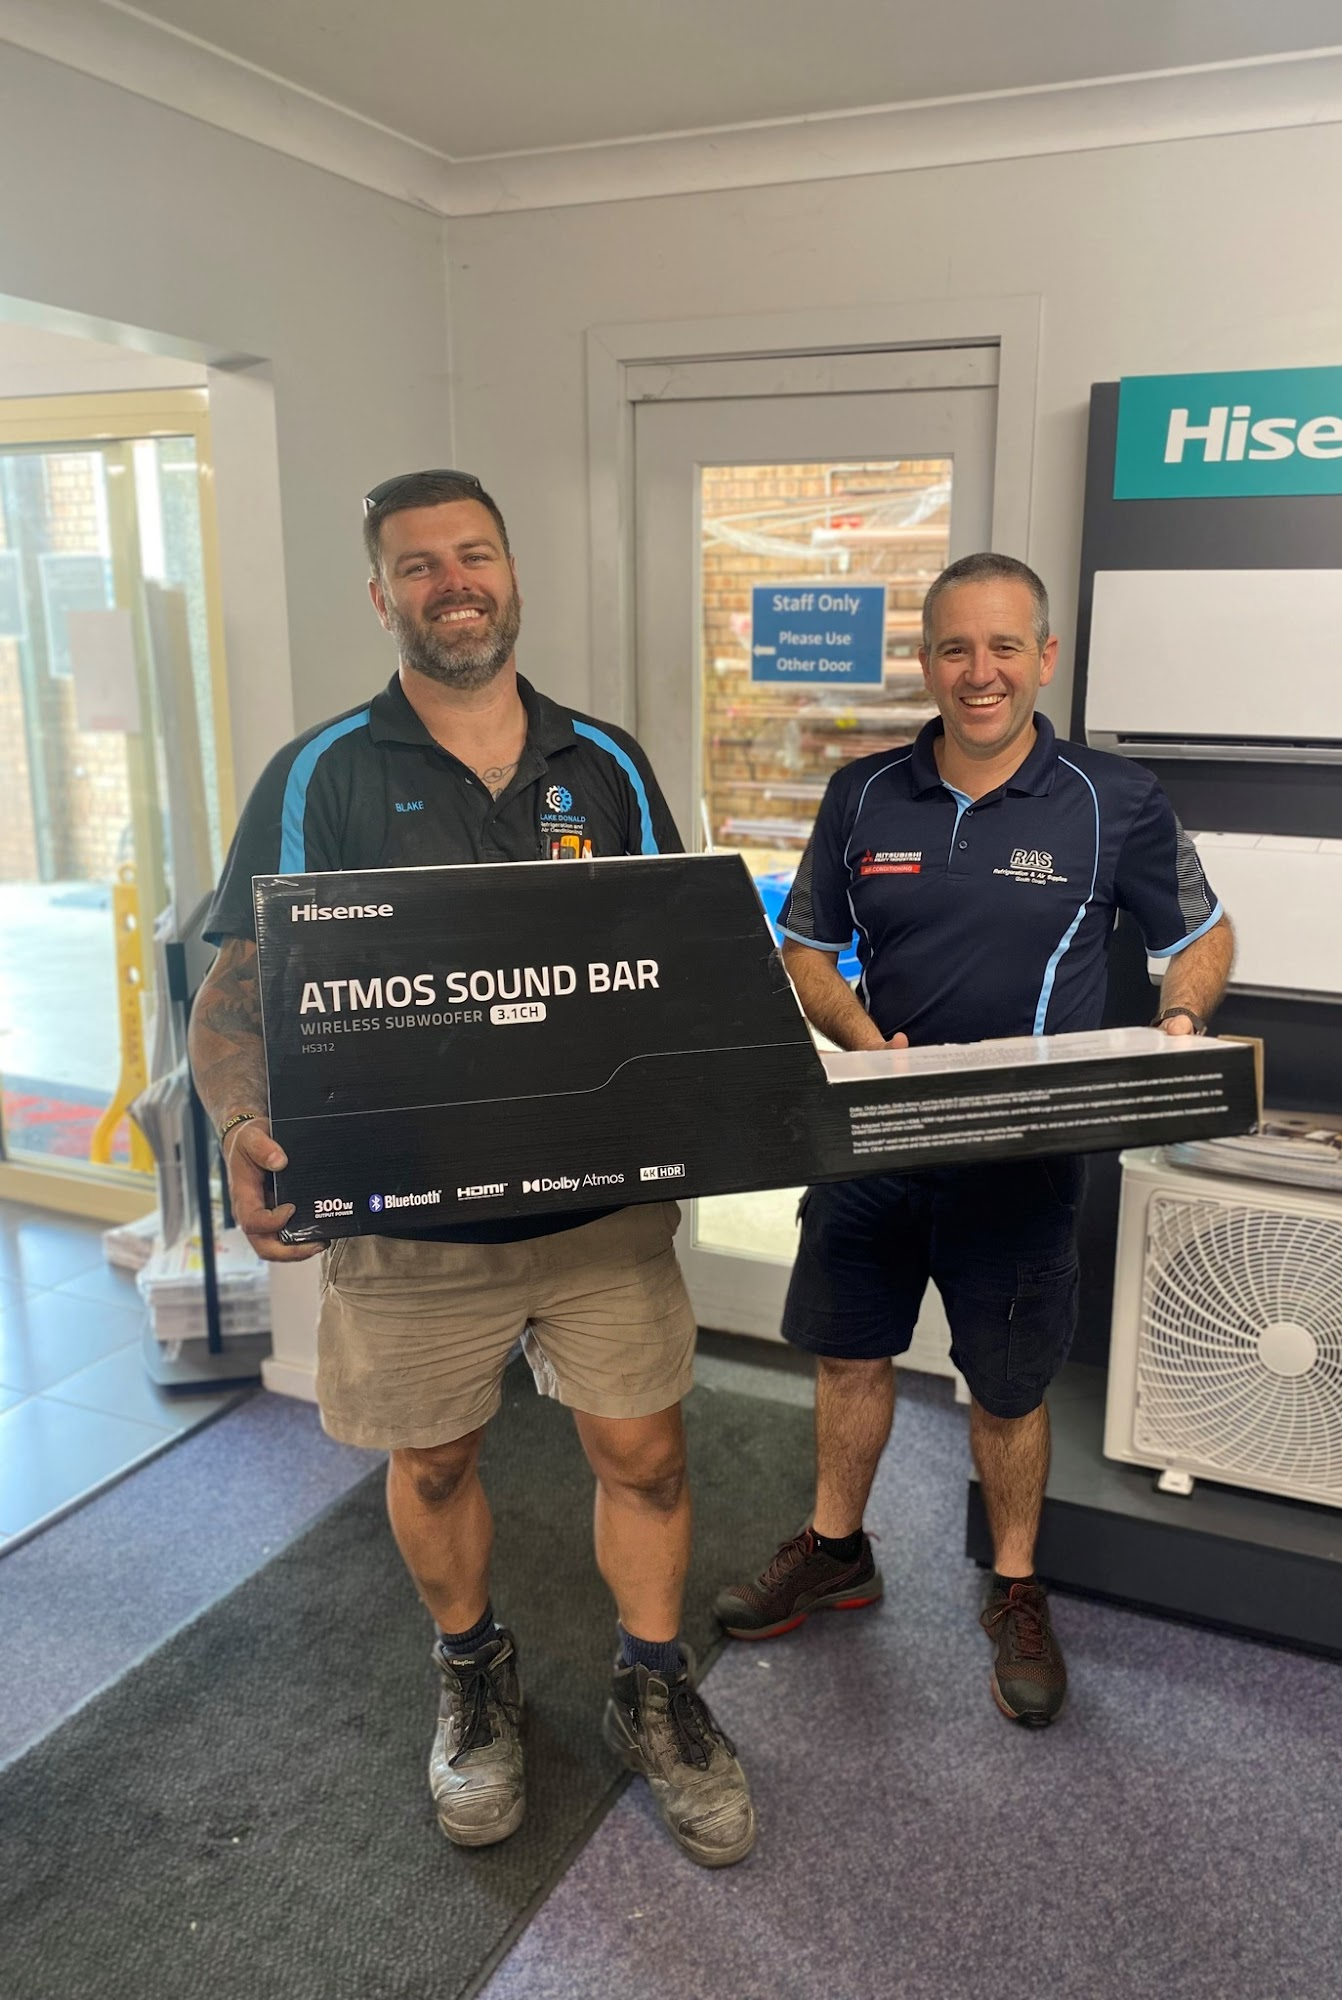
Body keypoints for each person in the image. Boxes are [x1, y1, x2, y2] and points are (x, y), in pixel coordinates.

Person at [189, 469, 754, 1865]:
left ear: (511, 574)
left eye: (475, 554)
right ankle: (473, 1671)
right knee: (432, 1462)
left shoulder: (607, 764)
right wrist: (246, 1129)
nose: (454, 582)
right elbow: (237, 996)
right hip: (409, 1221)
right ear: (381, 596)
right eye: (419, 564)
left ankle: (653, 1680)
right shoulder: (319, 776)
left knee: (645, 1449)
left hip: (600, 1212)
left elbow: (674, 967)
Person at [715, 551, 1234, 1728]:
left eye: (1005, 646)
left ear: (1044, 657)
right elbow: (805, 949)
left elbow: (1199, 931)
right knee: (849, 1352)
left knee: (1003, 1387)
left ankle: (1013, 1584)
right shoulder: (863, 794)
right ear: (927, 660)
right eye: (956, 646)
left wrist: (1181, 1021)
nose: (980, 670)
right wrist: (860, 1034)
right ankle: (839, 1548)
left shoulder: (1115, 798)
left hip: (1023, 1153)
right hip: (877, 1137)